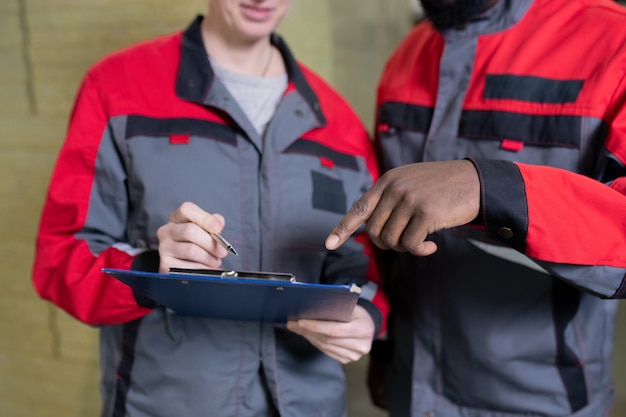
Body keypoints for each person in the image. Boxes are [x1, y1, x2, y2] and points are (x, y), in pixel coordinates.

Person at [31, 1, 389, 416]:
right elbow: (60, 260)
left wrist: (365, 314)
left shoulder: (340, 124)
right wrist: (152, 267)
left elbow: (368, 270)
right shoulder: (115, 89)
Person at [322, 0, 626, 416]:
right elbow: (388, 226)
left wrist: (487, 189)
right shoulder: (407, 56)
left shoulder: (613, 41)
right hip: (412, 392)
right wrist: (387, 349)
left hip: (541, 401)